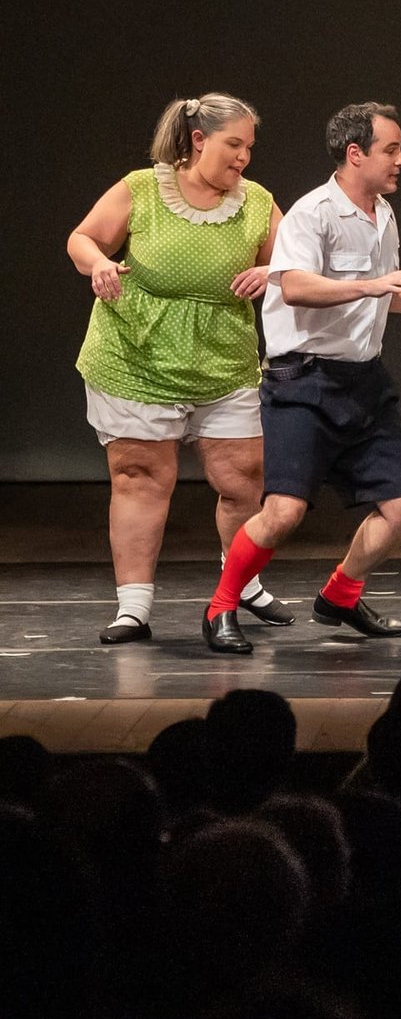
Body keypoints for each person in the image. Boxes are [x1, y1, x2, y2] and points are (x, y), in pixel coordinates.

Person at [200, 102, 401, 653]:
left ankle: (341, 595)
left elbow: (378, 295)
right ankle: (221, 608)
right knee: (282, 514)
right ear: (356, 154)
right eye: (391, 150)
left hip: (362, 381)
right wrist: (374, 286)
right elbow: (297, 287)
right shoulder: (313, 214)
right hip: (302, 381)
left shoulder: (382, 214)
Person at [68, 93, 293, 644]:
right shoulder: (143, 188)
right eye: (233, 144)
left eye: (249, 148)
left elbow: (295, 263)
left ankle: (241, 585)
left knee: (243, 477)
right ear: (198, 140)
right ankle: (134, 608)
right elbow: (83, 238)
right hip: (136, 355)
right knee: (140, 478)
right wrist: (99, 264)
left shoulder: (257, 201)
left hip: (222, 359)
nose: (243, 157)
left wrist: (272, 274)